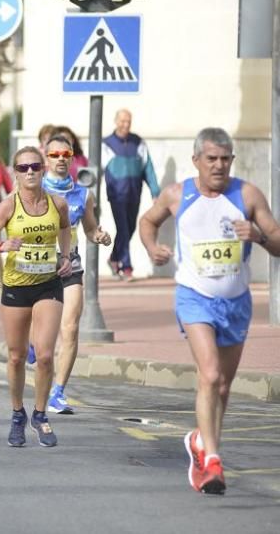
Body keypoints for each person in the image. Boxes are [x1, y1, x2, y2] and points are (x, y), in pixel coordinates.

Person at [139, 127, 280, 495]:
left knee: (224, 385)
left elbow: (278, 239)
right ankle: (214, 460)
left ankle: (201, 440)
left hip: (236, 301)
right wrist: (153, 248)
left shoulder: (247, 194)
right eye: (212, 159)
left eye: (225, 159)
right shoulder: (176, 194)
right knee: (211, 373)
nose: (219, 166)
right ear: (196, 160)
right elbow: (147, 221)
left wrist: (259, 236)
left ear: (232, 160)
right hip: (194, 296)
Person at [0, 146, 72, 448]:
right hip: (17, 285)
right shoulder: (8, 206)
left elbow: (65, 228)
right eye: (22, 168)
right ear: (14, 174)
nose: (29, 171)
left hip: (48, 284)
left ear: (43, 169)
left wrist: (67, 256)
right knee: (17, 356)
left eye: (34, 166)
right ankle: (17, 413)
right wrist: (1, 247)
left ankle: (41, 415)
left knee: (44, 355)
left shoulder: (58, 204)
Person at [41, 136, 111, 414]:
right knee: (40, 334)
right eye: (54, 154)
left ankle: (58, 392)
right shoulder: (33, 188)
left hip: (70, 265)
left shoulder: (83, 194)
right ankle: (34, 347)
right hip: (37, 267)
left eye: (65, 154)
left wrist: (100, 236)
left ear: (72, 158)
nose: (60, 159)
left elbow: (91, 228)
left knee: (69, 327)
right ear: (46, 158)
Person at [103, 109, 160, 281]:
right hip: (116, 194)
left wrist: (155, 191)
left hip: (135, 193)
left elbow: (147, 167)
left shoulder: (138, 143)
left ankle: (114, 258)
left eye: (128, 121)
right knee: (123, 228)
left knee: (130, 228)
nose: (125, 124)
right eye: (122, 121)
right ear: (115, 121)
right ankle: (126, 268)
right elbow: (96, 170)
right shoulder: (106, 143)